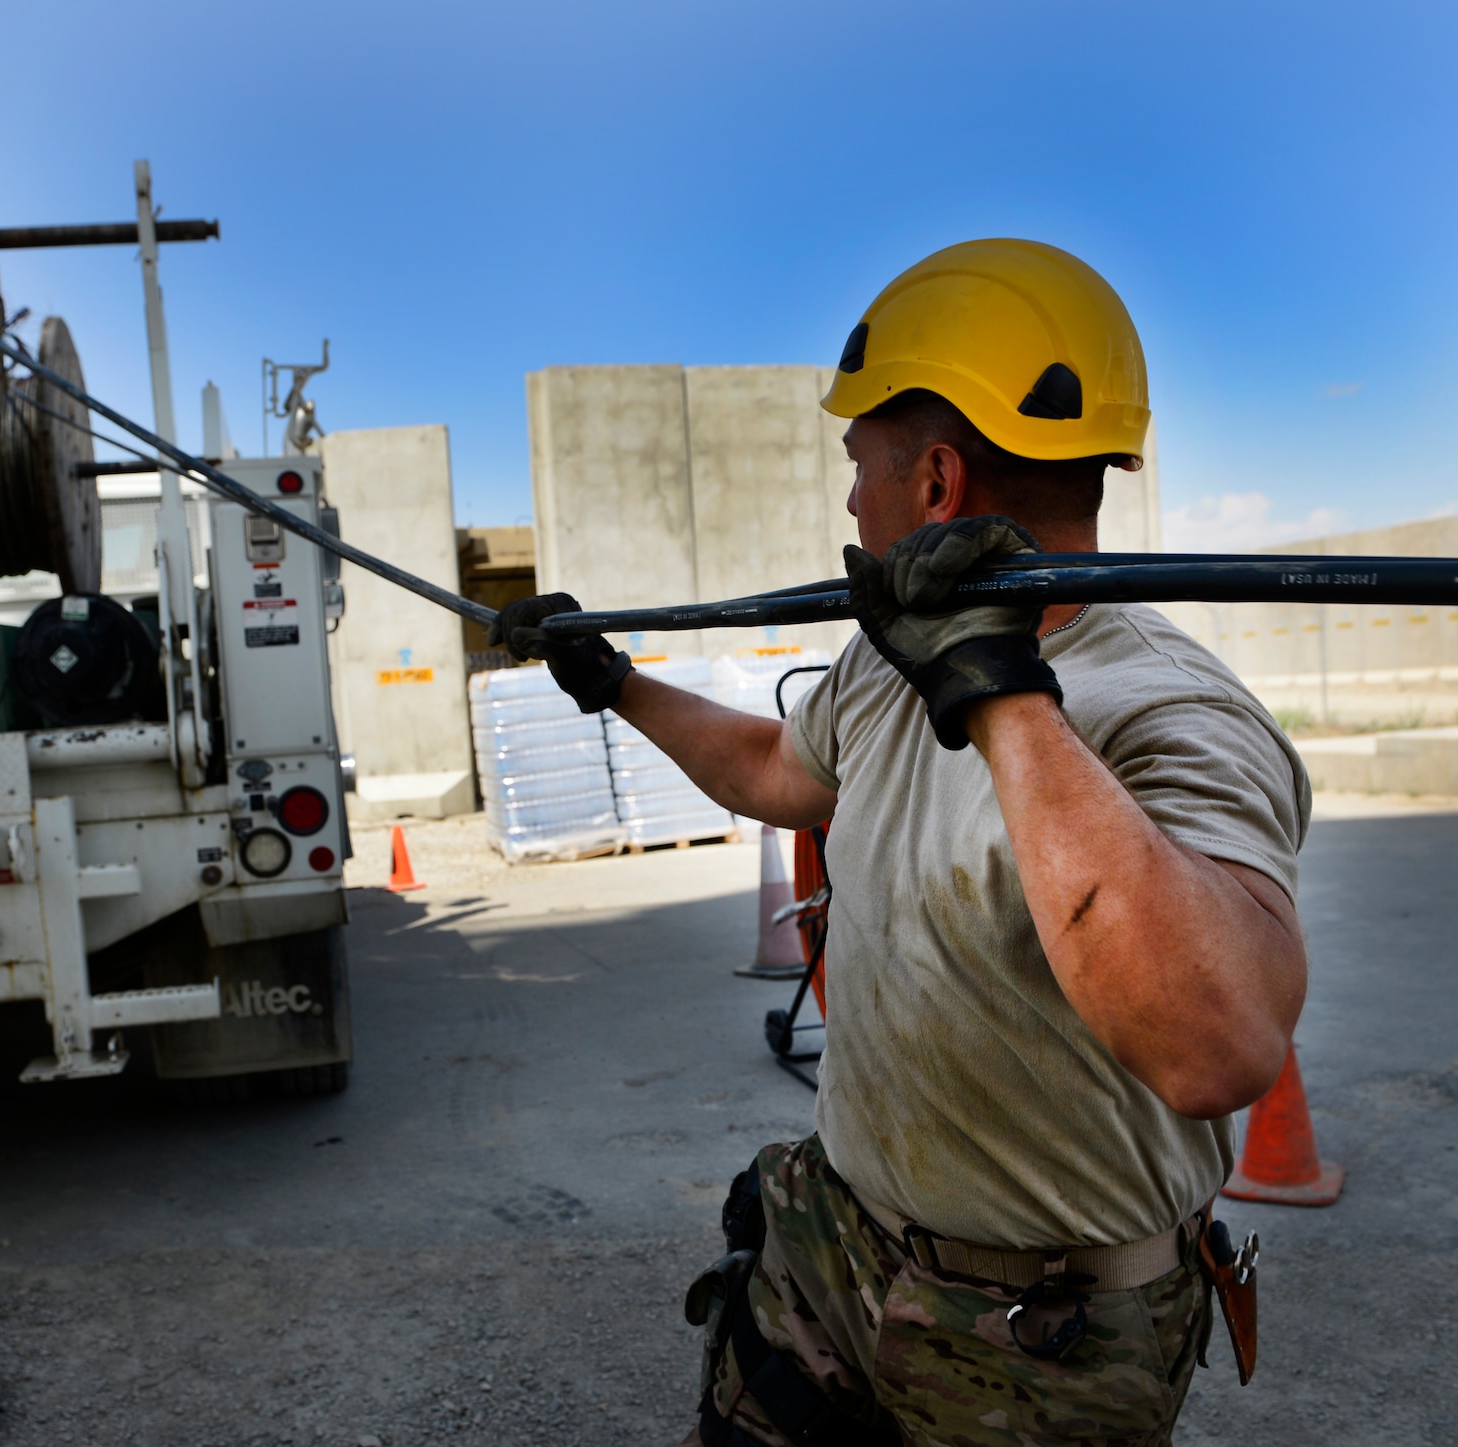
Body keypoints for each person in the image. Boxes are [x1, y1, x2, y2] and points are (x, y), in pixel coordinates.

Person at [490, 239, 1310, 1446]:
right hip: (834, 1238)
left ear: (932, 482)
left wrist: (1002, 693)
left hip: (1044, 1331)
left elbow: (1215, 1046)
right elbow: (777, 773)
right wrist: (614, 684)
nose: (846, 503)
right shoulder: (884, 660)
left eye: (855, 468)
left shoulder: (1168, 709)